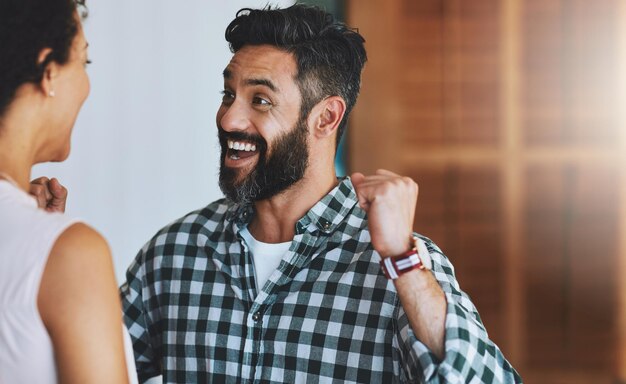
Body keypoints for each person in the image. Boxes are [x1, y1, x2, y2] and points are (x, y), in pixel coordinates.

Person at [121, 4, 522, 383]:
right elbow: (72, 363)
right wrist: (55, 231)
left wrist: (403, 261)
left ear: (326, 117)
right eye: (229, 94)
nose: (229, 118)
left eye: (260, 100)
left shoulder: (400, 266)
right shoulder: (172, 254)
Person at [0, 1, 136, 383]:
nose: (87, 84)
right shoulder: (71, 252)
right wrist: (49, 247)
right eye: (84, 63)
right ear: (48, 72)